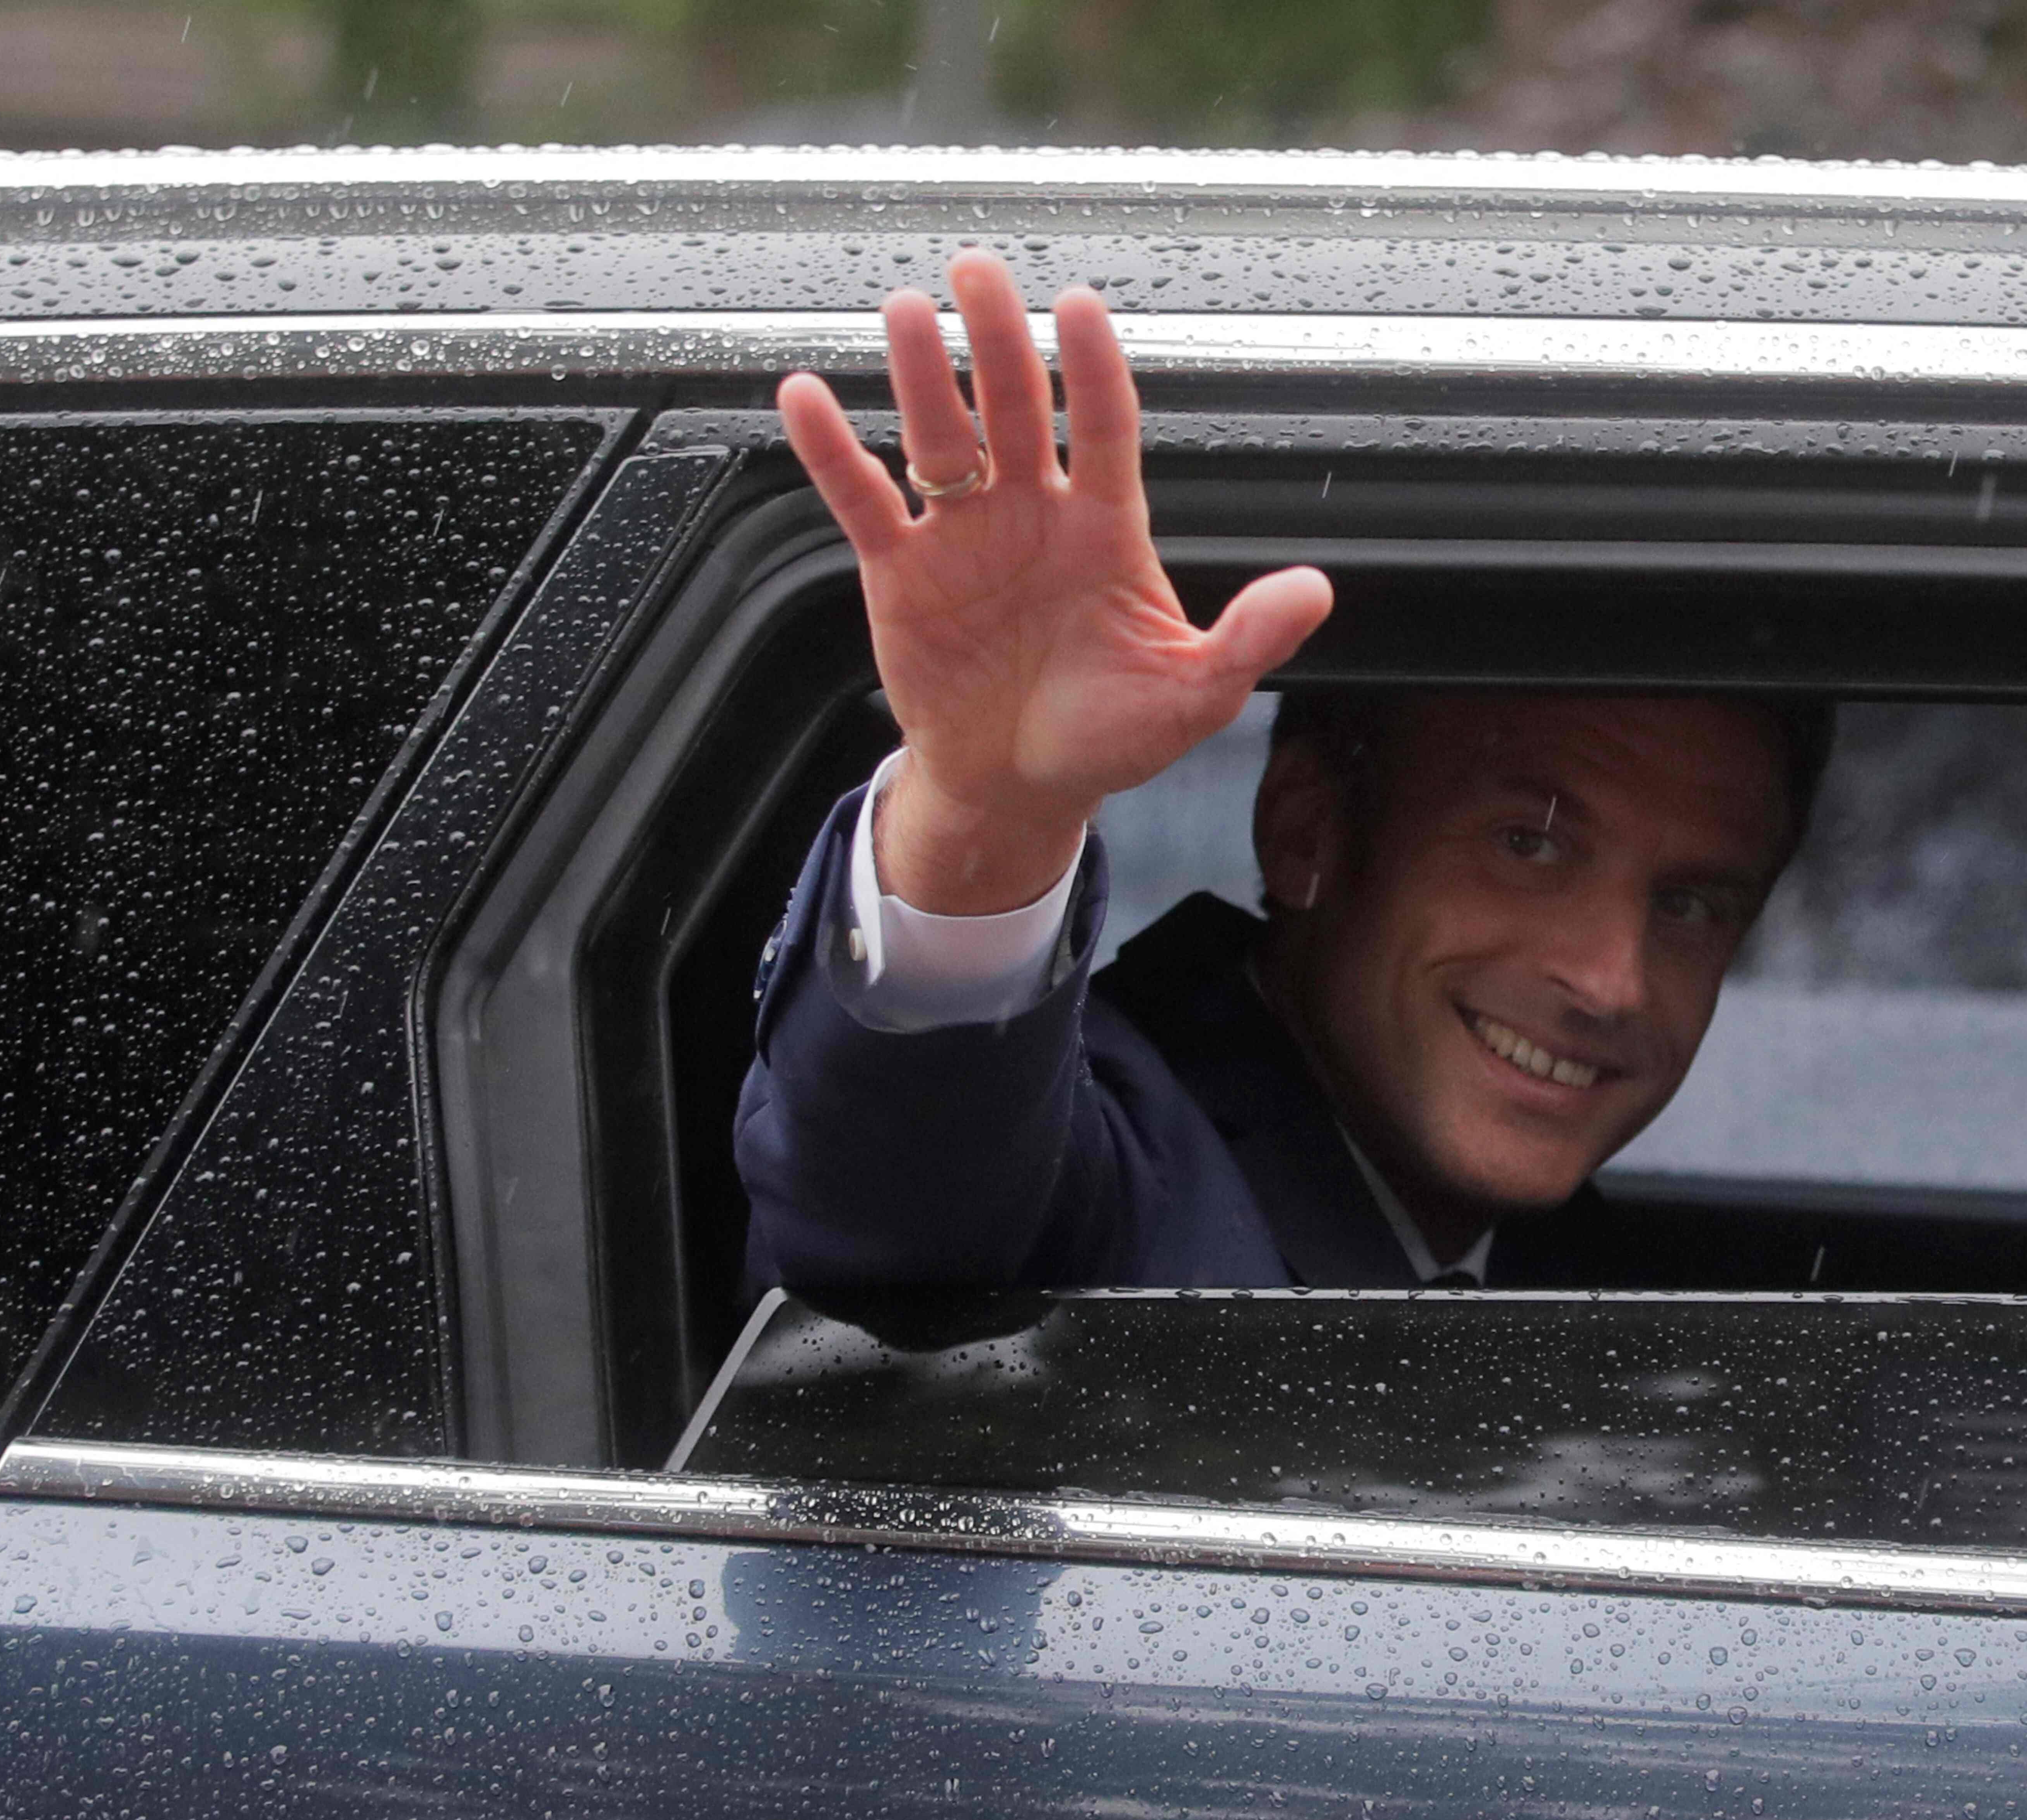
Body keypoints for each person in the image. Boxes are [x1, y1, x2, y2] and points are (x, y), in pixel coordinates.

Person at [736, 252, 1822, 1293]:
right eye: (1528, 844)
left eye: (1688, 904)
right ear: (1307, 832)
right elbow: (903, 1210)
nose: (1612, 980)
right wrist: (991, 814)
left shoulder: (1595, 1278)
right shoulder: (1113, 1175)